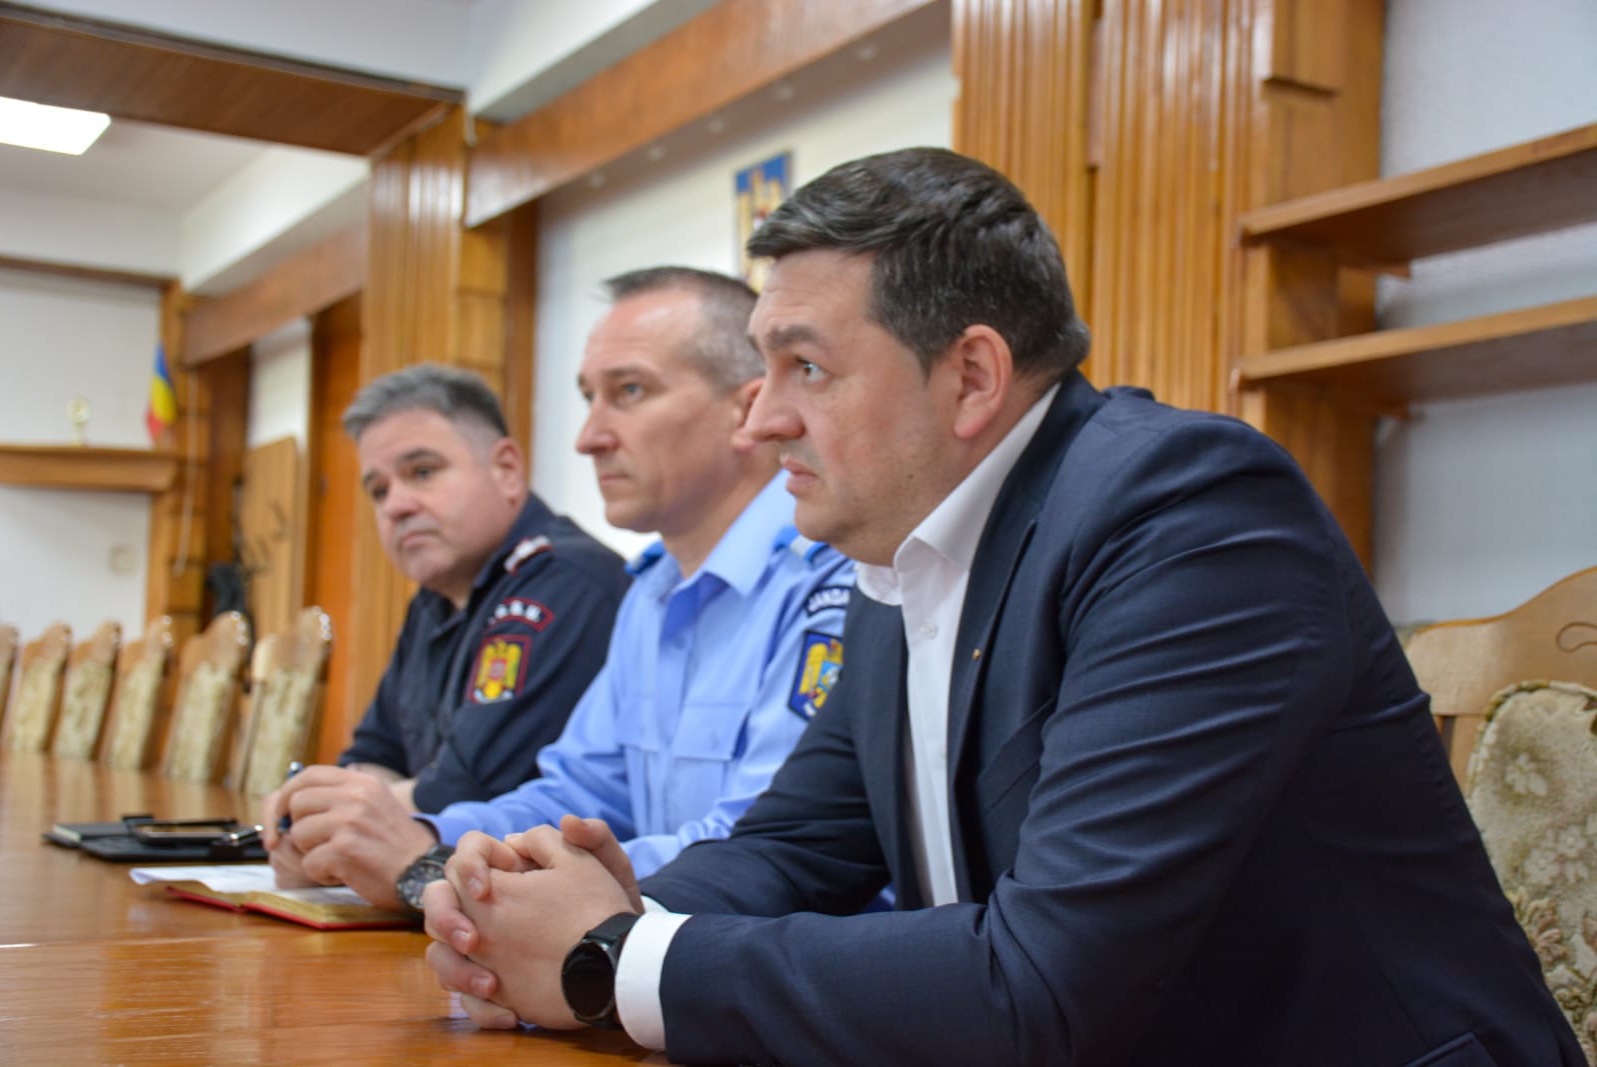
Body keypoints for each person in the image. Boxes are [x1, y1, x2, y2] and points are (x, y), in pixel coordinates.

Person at [421, 148, 1582, 1066]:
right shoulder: (904, 556)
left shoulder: (1189, 517)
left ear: (971, 376)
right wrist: (562, 917)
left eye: (805, 367)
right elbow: (793, 845)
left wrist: (616, 959)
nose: (762, 419)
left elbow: (1045, 979)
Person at [264, 267, 852, 913]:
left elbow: (762, 855)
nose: (587, 438)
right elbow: (578, 796)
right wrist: (425, 839)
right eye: (589, 397)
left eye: (629, 391)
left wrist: (434, 866)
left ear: (746, 410)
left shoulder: (832, 578)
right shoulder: (651, 592)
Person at [262, 363, 627, 825]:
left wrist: (340, 812)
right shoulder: (434, 600)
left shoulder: (565, 582)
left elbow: (465, 789)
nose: (396, 505)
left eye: (423, 472)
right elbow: (374, 754)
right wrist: (342, 808)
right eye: (379, 490)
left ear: (506, 470)